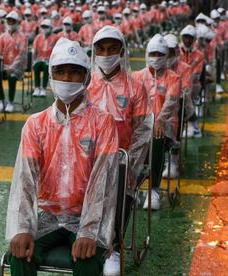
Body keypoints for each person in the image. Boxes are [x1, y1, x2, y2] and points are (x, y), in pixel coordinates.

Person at [5, 37, 119, 276]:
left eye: (75, 72)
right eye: (61, 72)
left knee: (87, 260)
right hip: (48, 216)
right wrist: (22, 228)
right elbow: (24, 180)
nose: (67, 79)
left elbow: (103, 184)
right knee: (20, 254)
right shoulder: (36, 124)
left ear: (87, 78)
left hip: (86, 217)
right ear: (50, 75)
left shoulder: (102, 123)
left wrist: (89, 232)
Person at [87, 25, 152, 275]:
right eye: (101, 49)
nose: (106, 53)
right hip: (89, 158)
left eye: (112, 48)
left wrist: (132, 166)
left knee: (119, 197)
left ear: (121, 51)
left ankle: (112, 248)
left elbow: (143, 130)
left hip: (122, 160)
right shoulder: (86, 85)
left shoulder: (135, 87)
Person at [132, 34, 180, 210]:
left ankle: (154, 190)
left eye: (160, 54)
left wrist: (158, 121)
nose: (156, 58)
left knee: (157, 138)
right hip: (139, 128)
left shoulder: (173, 78)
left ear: (167, 56)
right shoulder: (136, 77)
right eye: (152, 54)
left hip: (163, 128)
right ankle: (132, 188)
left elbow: (171, 101)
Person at [162, 34, 194, 179]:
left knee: (178, 110)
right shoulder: (155, 70)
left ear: (176, 51)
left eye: (171, 51)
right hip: (158, 108)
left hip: (177, 106)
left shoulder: (184, 68)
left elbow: (186, 90)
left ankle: (173, 161)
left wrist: (171, 97)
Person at [0, 11, 27, 113]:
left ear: (17, 23)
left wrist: (12, 68)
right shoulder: (2, 37)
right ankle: (1, 101)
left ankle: (11, 102)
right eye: (9, 21)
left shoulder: (22, 37)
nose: (11, 23)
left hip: (18, 67)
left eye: (13, 21)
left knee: (12, 78)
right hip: (5, 65)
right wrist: (2, 66)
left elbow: (22, 55)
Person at [179, 25, 204, 138]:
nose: (187, 40)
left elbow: (196, 74)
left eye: (190, 38)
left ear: (194, 39)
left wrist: (185, 85)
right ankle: (195, 126)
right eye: (185, 37)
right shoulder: (175, 52)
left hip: (193, 85)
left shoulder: (199, 55)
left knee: (185, 96)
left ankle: (191, 126)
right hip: (176, 84)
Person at [32, 19, 58, 97]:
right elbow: (35, 51)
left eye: (46, 27)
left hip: (50, 61)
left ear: (50, 28)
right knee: (36, 66)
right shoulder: (38, 37)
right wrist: (34, 61)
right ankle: (37, 88)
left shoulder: (55, 37)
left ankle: (43, 88)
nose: (44, 29)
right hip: (40, 59)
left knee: (46, 67)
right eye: (43, 27)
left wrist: (52, 60)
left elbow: (57, 51)